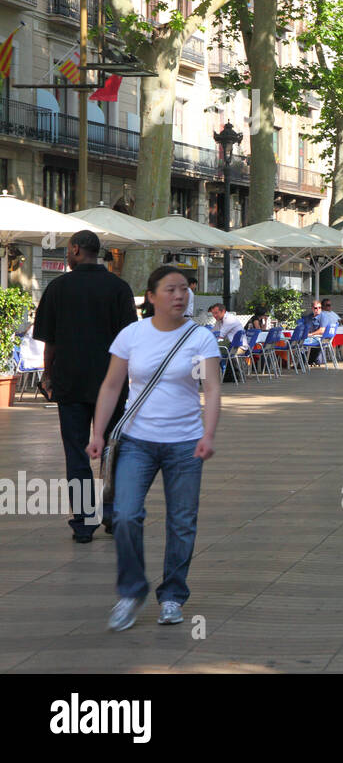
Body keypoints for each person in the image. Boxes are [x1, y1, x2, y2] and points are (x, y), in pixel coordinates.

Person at [88, 265, 221, 632]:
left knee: (182, 522)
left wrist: (207, 434)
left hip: (184, 443)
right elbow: (112, 386)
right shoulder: (132, 334)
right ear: (151, 296)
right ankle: (131, 592)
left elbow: (211, 390)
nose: (180, 296)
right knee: (126, 515)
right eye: (170, 289)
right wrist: (97, 433)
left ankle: (173, 596)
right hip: (136, 441)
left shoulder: (200, 338)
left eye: (184, 289)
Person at [32, 230, 137, 543]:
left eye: (68, 250)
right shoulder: (119, 288)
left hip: (70, 382)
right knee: (112, 450)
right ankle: (114, 514)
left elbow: (49, 343)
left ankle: (83, 522)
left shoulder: (58, 288)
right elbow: (130, 342)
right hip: (112, 383)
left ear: (76, 250)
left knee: (76, 452)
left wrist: (48, 375)